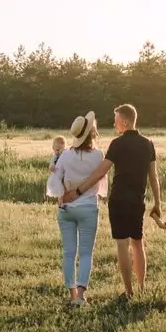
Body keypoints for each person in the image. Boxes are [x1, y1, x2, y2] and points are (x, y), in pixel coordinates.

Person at [60, 103, 160, 298]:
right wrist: (157, 202)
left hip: (119, 201)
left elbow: (100, 173)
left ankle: (129, 292)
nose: (115, 126)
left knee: (122, 244)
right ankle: (141, 288)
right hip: (138, 201)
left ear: (125, 121)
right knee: (138, 243)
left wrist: (78, 190)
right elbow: (153, 177)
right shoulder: (148, 143)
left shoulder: (117, 143)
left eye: (116, 122)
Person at [51, 112, 106, 306]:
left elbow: (55, 180)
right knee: (85, 253)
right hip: (88, 208)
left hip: (66, 208)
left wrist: (60, 197)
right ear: (92, 133)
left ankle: (72, 295)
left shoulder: (65, 155)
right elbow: (102, 184)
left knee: (68, 252)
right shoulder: (99, 155)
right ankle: (81, 296)